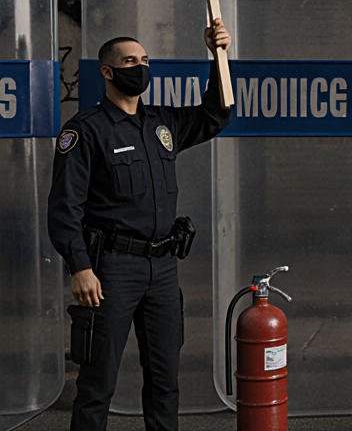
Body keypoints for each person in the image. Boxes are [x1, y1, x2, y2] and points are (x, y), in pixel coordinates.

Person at [48, 23, 232, 431]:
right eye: (131, 61)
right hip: (111, 270)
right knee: (97, 384)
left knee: (165, 383)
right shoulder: (85, 130)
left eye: (145, 60)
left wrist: (216, 56)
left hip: (163, 272)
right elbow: (64, 207)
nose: (141, 66)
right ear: (108, 72)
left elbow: (217, 114)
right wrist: (79, 266)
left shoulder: (162, 124)